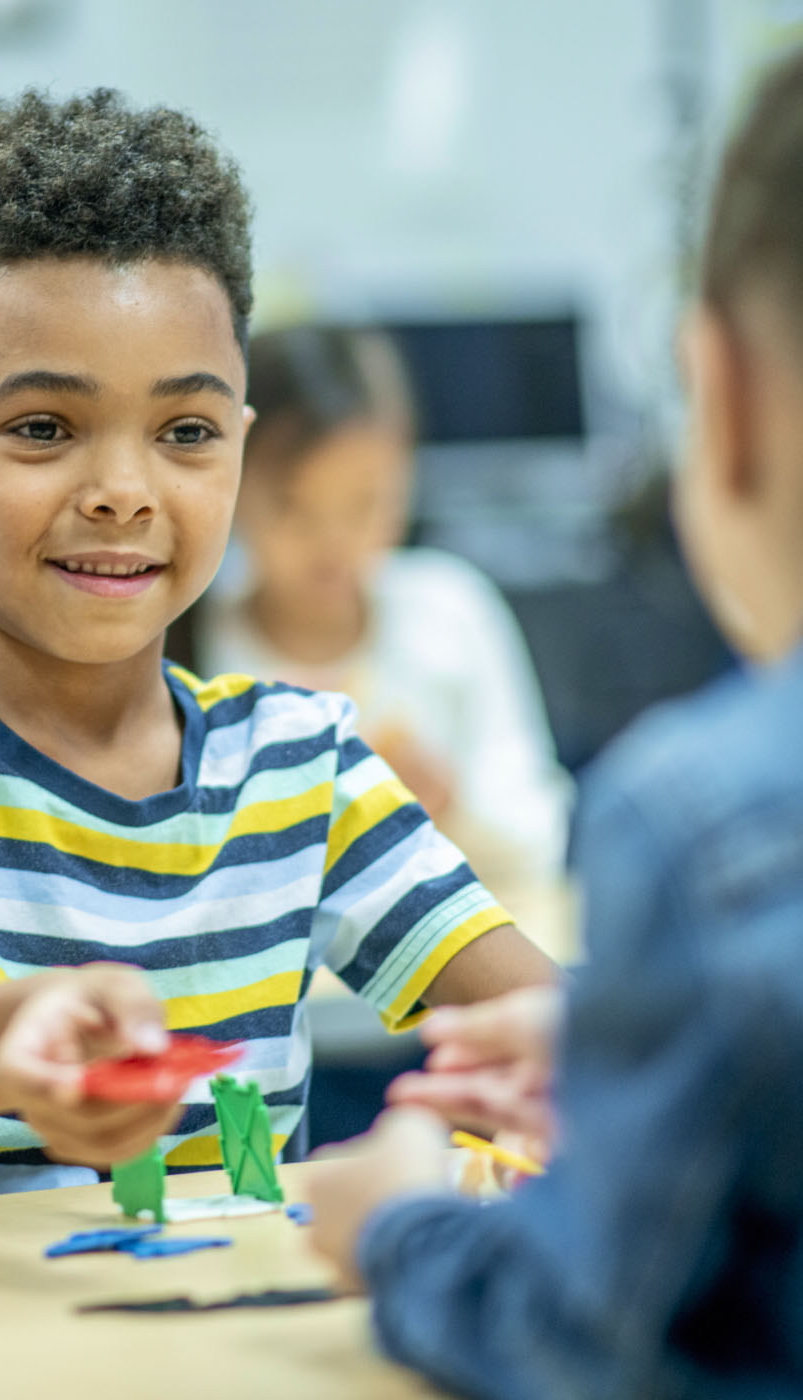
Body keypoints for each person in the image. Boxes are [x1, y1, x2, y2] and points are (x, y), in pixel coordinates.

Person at [0, 88, 560, 1219]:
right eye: (41, 428)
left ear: (238, 455)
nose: (124, 490)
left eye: (185, 433)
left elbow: (531, 1007)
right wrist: (6, 1038)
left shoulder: (300, 761)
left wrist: (575, 1053)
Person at [307, 45, 803, 1400]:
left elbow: (584, 1338)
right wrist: (617, 1020)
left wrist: (404, 1225)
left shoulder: (709, 818)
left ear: (728, 400)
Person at [196, 323, 569, 882]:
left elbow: (541, 836)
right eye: (293, 508)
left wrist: (447, 802)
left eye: (367, 505)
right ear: (233, 483)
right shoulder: (193, 640)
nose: (334, 543)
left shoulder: (449, 614)